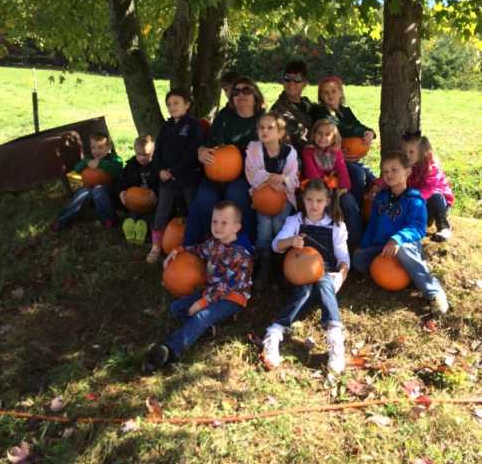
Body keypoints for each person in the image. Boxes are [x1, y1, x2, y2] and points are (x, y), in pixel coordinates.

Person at [144, 201, 254, 372]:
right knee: (177, 307)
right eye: (214, 221)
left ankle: (170, 349)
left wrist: (202, 302)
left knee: (201, 316)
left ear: (236, 227)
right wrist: (178, 250)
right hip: (210, 291)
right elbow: (198, 249)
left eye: (224, 223)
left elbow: (226, 287)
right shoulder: (213, 243)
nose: (217, 226)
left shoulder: (241, 255)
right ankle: (208, 329)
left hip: (232, 298)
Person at [261, 179, 350, 374]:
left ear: (327, 201)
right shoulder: (296, 221)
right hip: (297, 273)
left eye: (319, 201)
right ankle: (275, 333)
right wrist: (291, 241)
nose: (314, 205)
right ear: (303, 200)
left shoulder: (336, 225)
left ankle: (335, 338)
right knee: (304, 289)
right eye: (309, 200)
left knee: (323, 281)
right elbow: (276, 245)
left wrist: (341, 275)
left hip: (324, 273)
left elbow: (343, 258)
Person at [353, 150, 449, 314]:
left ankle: (434, 292)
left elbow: (418, 228)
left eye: (394, 169)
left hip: (404, 245)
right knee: (358, 260)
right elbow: (373, 225)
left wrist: (397, 239)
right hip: (382, 248)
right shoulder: (380, 198)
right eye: (385, 171)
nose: (389, 174)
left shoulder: (415, 200)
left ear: (408, 171)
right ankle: (409, 271)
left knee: (404, 250)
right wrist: (363, 245)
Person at [183, 76, 264, 245]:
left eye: (246, 90)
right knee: (205, 197)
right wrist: (202, 150)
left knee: (236, 196)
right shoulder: (225, 116)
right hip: (217, 171)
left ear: (255, 95)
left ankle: (242, 247)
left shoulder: (262, 120)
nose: (241, 95)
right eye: (236, 92)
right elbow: (211, 143)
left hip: (246, 175)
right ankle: (195, 246)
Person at [146, 89, 202, 263]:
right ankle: (156, 246)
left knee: (192, 211)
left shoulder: (194, 126)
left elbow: (192, 153)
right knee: (162, 211)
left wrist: (174, 171)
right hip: (166, 180)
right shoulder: (166, 126)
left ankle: (195, 247)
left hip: (187, 178)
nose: (172, 107)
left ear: (187, 104)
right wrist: (160, 170)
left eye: (176, 103)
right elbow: (157, 152)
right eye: (169, 104)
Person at [245, 112, 299, 289]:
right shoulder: (253, 149)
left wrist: (282, 181)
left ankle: (281, 261)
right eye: (261, 127)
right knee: (264, 225)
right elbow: (252, 173)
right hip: (261, 197)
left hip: (283, 196)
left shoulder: (289, 153)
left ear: (280, 133)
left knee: (278, 223)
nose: (265, 131)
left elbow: (293, 179)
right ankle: (265, 261)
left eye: (270, 128)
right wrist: (272, 177)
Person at [312, 75, 376, 204]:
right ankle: (355, 206)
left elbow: (357, 124)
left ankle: (369, 207)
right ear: (321, 97)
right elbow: (343, 128)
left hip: (349, 157)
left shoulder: (345, 111)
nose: (330, 95)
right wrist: (361, 131)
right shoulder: (321, 113)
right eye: (326, 92)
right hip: (332, 158)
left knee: (372, 177)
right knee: (358, 174)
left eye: (334, 91)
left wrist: (370, 132)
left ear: (341, 93)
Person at [302, 119, 361, 253]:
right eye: (319, 133)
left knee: (348, 201)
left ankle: (355, 243)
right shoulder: (308, 151)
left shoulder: (336, 152)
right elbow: (313, 176)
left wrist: (342, 188)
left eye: (327, 134)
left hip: (335, 190)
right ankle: (324, 245)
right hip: (316, 191)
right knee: (323, 206)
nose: (323, 137)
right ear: (313, 134)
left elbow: (343, 173)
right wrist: (328, 193)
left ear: (334, 138)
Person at [53, 132, 123, 230]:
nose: (97, 151)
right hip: (90, 188)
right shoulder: (89, 159)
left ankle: (109, 219)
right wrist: (87, 162)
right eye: (93, 148)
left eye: (100, 147)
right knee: (82, 193)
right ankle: (63, 220)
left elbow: (117, 171)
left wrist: (100, 163)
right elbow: (76, 169)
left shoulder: (114, 159)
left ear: (108, 147)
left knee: (98, 190)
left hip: (109, 190)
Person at [401, 131, 454, 242]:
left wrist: (411, 197)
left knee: (435, 196)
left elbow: (429, 190)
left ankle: (444, 227)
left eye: (411, 152)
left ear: (423, 154)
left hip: (437, 202)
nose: (407, 155)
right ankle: (424, 220)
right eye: (405, 152)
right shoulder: (406, 165)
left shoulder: (432, 168)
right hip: (417, 202)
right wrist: (378, 185)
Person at [118, 135, 159, 245]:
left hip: (152, 200)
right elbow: (123, 181)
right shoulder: (131, 166)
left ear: (153, 152)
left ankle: (143, 230)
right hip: (135, 199)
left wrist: (155, 193)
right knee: (133, 214)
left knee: (151, 216)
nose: (141, 158)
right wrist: (122, 191)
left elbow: (162, 183)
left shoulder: (157, 166)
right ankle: (131, 229)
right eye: (138, 154)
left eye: (145, 154)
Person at [270, 60, 315, 156]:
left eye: (297, 79)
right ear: (283, 81)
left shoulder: (308, 105)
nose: (291, 83)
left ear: (305, 83)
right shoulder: (277, 111)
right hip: (293, 159)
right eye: (287, 78)